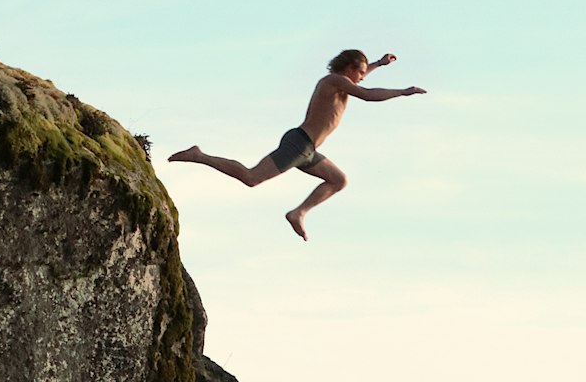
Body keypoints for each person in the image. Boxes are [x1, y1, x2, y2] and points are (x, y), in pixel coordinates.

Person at [168, 49, 427, 240]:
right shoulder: (334, 82)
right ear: (348, 68)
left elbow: (360, 78)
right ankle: (199, 155)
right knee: (250, 177)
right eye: (360, 72)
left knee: (338, 180)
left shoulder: (342, 82)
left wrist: (378, 64)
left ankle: (298, 213)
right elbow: (368, 95)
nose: (362, 77)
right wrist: (403, 92)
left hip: (308, 150)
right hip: (298, 144)